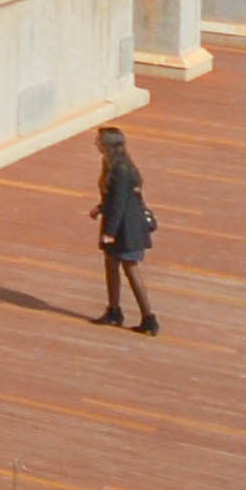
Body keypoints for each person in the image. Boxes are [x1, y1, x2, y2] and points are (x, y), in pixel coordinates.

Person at [90, 124, 162, 335]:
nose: (96, 143)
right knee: (111, 264)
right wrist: (100, 208)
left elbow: (120, 203)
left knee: (131, 268)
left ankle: (149, 319)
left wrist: (109, 233)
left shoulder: (120, 169)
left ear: (107, 144)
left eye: (99, 140)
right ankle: (114, 311)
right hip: (120, 224)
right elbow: (114, 198)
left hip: (127, 228)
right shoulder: (112, 164)